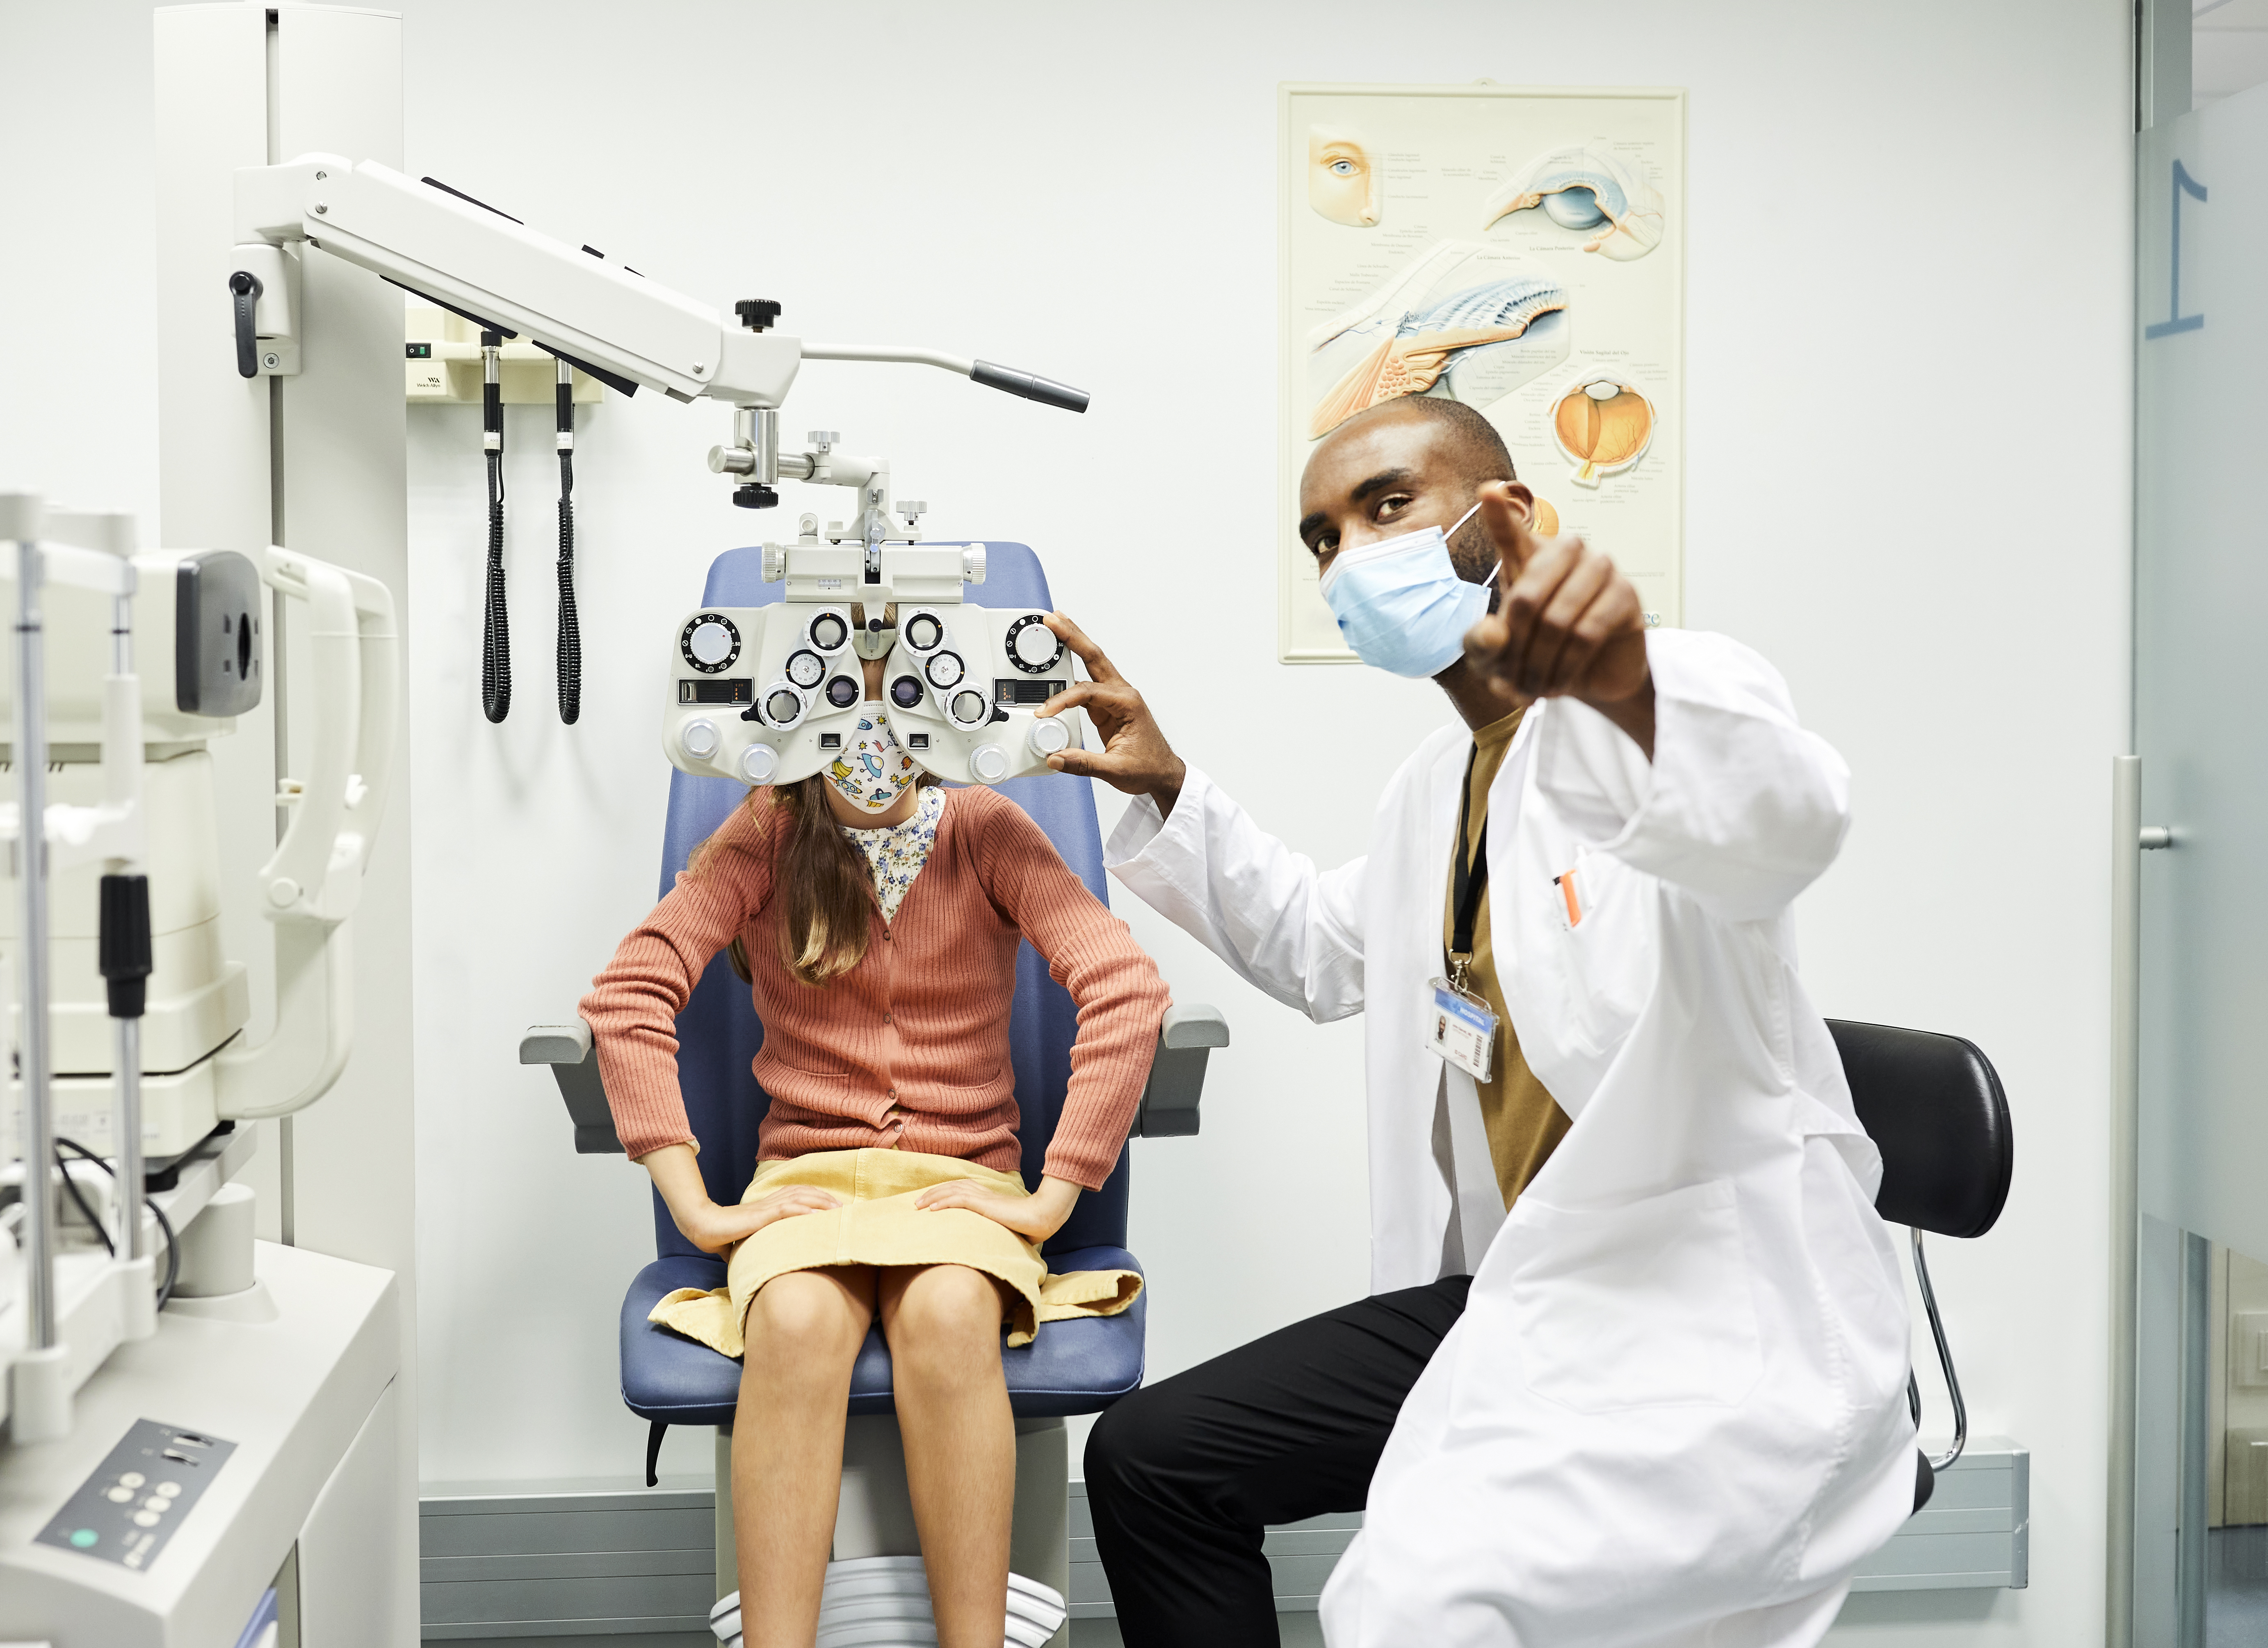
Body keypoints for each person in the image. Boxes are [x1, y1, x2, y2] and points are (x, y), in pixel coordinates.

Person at [1036, 395, 1913, 1648]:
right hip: (1518, 1289)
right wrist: (1175, 785)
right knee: (1152, 1459)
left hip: (1703, 1308)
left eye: (1386, 504)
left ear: (1499, 516)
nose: (1345, 556)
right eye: (1320, 538)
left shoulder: (1673, 692)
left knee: (1414, 1607)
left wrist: (1624, 686)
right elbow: (1323, 946)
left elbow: (1783, 821)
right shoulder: (1435, 785)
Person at [578, 656, 1169, 1648]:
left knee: (946, 1312)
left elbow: (1125, 987)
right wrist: (699, 1209)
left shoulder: (985, 826)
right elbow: (627, 995)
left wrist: (1051, 1198)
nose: (874, 729)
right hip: (806, 1184)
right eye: (847, 694)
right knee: (798, 1321)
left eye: (899, 692)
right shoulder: (767, 832)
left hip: (959, 1181)